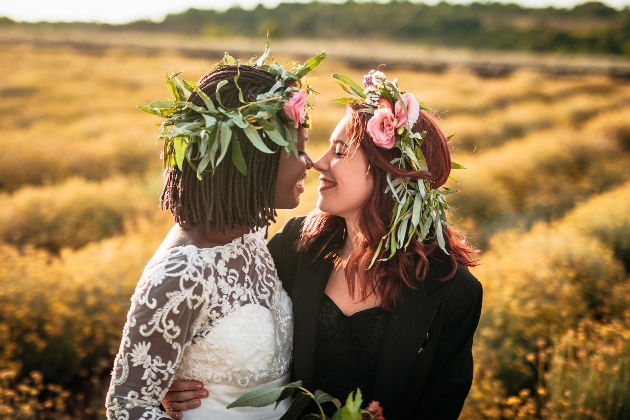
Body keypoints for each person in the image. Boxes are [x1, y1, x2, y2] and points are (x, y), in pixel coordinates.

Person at [163, 69, 482, 420]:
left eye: (340, 151)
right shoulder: (296, 246)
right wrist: (179, 378)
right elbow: (217, 314)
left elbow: (438, 409)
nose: (318, 162)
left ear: (390, 172)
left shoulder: (453, 292)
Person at [105, 48, 325, 420]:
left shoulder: (253, 231)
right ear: (254, 157)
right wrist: (160, 392)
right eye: (298, 151)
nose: (310, 163)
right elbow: (126, 405)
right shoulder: (182, 273)